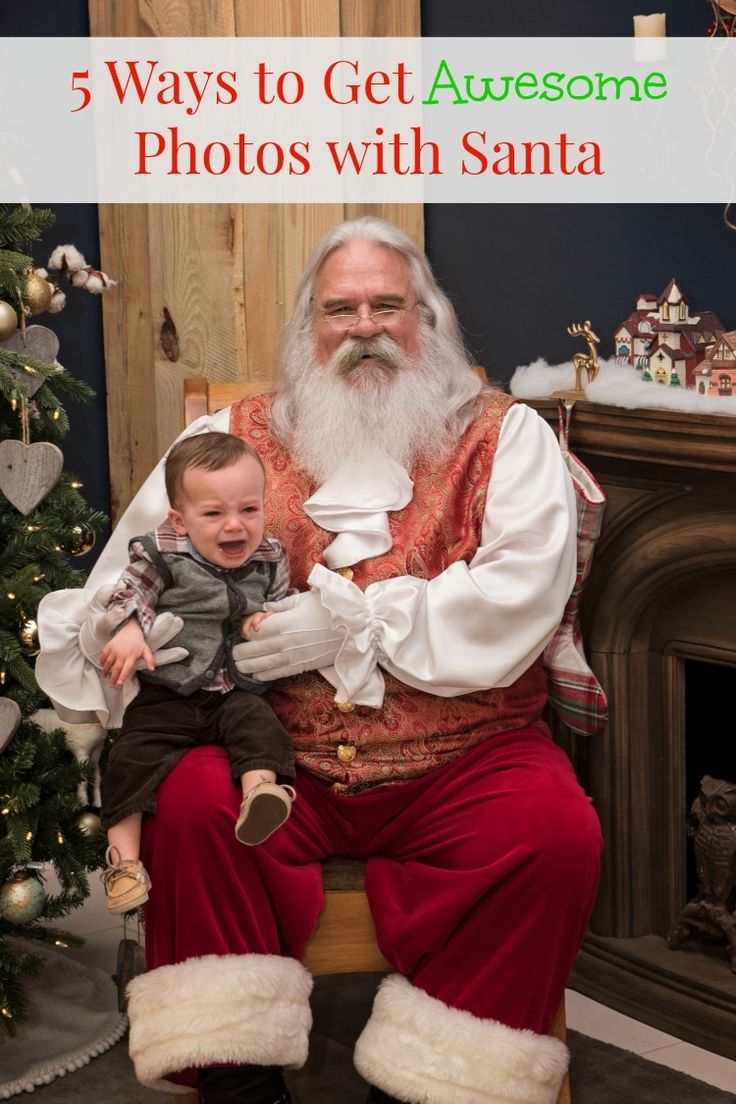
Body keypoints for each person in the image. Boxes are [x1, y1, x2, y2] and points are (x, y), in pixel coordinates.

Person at [36, 216, 602, 1104]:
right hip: (271, 747)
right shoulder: (231, 437)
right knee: (190, 803)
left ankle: (436, 1084)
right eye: (341, 308)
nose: (365, 327)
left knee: (554, 833)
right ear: (309, 329)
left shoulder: (508, 437)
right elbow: (127, 576)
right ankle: (237, 1076)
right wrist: (142, 631)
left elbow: (516, 598)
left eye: (388, 305)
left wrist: (352, 628)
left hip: (465, 754)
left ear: (430, 319)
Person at [97, 432, 296, 914]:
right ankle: (124, 865)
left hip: (234, 688)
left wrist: (265, 620)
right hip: (171, 690)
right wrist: (128, 629)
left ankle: (260, 796)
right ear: (180, 521)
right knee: (130, 755)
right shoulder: (162, 553)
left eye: (249, 510)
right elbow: (131, 593)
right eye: (214, 514)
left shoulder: (269, 558)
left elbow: (283, 605)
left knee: (260, 725)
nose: (235, 525)